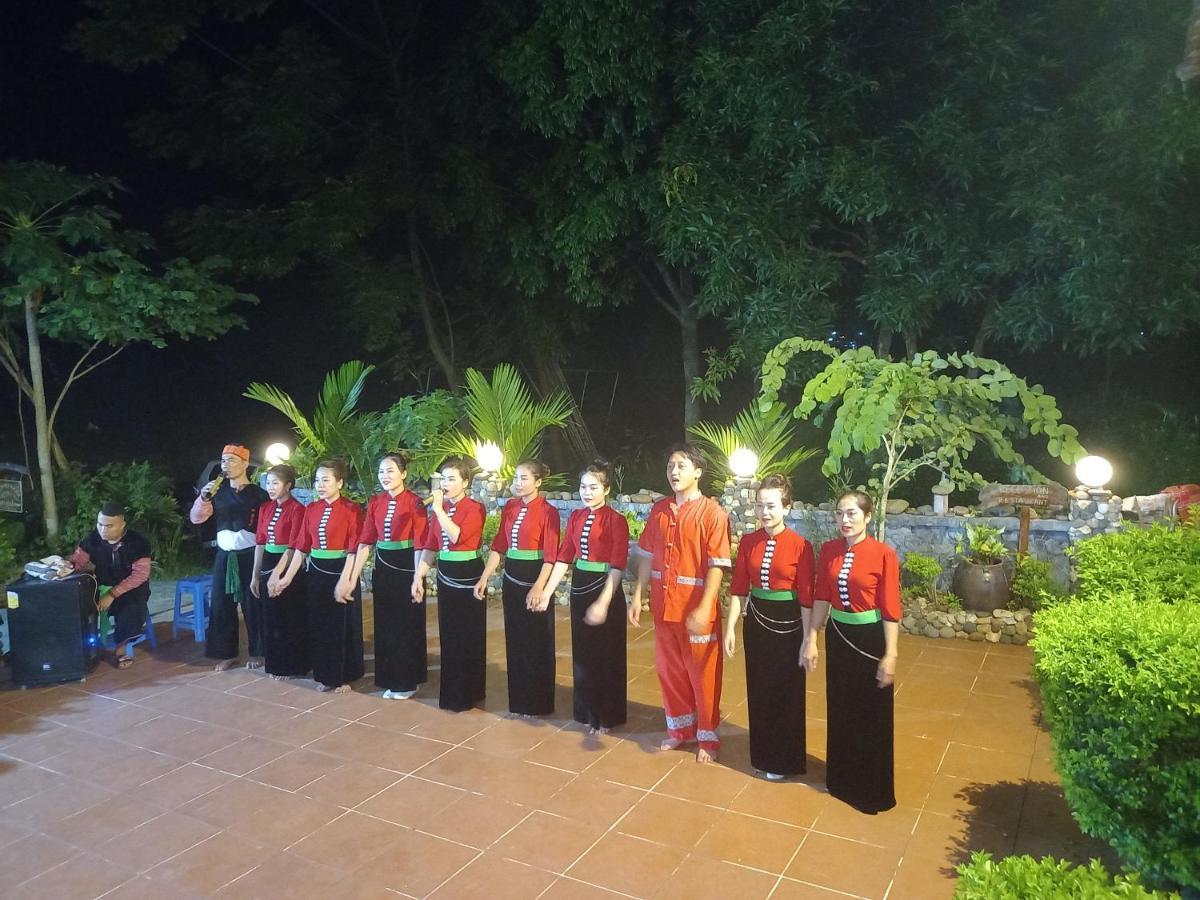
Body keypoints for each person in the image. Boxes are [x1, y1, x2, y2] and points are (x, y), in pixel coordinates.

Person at [631, 443, 732, 764]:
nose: (674, 472)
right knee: (668, 670)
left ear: (698, 472)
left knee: (702, 674)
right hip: (664, 608)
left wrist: (705, 608)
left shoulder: (712, 514)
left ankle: (707, 735)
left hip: (696, 610)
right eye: (671, 465)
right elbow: (647, 555)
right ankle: (680, 731)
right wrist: (638, 594)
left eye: (682, 466)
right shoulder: (660, 510)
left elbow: (718, 564)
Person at [803, 490, 900, 814]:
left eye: (852, 514)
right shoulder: (829, 550)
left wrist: (891, 655)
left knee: (870, 713)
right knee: (841, 707)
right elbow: (821, 598)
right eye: (840, 514)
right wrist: (811, 637)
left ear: (867, 517)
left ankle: (871, 788)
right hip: (839, 636)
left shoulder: (883, 554)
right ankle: (842, 779)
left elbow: (890, 608)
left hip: (870, 638)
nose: (844, 520)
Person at [724, 474, 815, 780]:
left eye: (772, 506)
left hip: (788, 622)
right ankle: (762, 755)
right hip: (757, 620)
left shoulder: (801, 546)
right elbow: (739, 589)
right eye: (760, 505)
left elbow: (806, 598)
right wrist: (730, 629)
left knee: (785, 691)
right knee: (760, 688)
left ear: (787, 508)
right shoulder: (749, 542)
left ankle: (784, 759)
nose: (765, 512)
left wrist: (808, 639)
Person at [542, 459, 630, 734]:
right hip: (580, 587)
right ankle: (585, 711)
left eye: (593, 487)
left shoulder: (616, 521)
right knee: (583, 653)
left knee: (606, 656)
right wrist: (546, 592)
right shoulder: (577, 517)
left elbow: (617, 565)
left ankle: (606, 715)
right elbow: (564, 556)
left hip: (605, 588)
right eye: (582, 487)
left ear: (606, 489)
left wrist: (604, 602)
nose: (586, 492)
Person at [476, 459, 560, 718]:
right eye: (515, 478)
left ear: (538, 482)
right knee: (516, 640)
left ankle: (539, 702)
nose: (518, 483)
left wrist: (539, 587)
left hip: (535, 576)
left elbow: (551, 555)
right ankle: (519, 700)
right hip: (511, 579)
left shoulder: (548, 511)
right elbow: (499, 546)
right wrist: (484, 577)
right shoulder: (510, 508)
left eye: (524, 478)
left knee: (538, 642)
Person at [274, 459, 364, 693]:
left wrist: (347, 578)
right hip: (317, 573)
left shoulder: (351, 509)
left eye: (326, 480)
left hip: (341, 568)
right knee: (320, 623)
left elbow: (354, 547)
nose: (320, 485)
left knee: (341, 625)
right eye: (317, 480)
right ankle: (325, 674)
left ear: (340, 482)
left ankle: (344, 676)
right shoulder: (312, 509)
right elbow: (301, 547)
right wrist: (286, 578)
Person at [346, 452, 429, 699]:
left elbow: (420, 542)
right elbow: (365, 541)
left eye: (391, 470)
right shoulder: (375, 502)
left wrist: (417, 578)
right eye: (381, 471)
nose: (385, 476)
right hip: (383, 566)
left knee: (406, 625)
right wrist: (352, 577)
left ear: (403, 474)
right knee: (385, 624)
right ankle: (389, 677)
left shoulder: (415, 502)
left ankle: (407, 681)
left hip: (407, 564)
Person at [412, 456, 486, 712]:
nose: (445, 483)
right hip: (446, 572)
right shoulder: (439, 511)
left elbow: (456, 536)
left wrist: (440, 510)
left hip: (468, 572)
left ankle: (471, 691)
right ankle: (453, 693)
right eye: (443, 478)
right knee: (449, 634)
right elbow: (431, 546)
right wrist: (418, 576)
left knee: (468, 635)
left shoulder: (474, 508)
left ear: (465, 482)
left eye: (452, 478)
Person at [190, 444, 268, 671]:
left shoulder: (259, 494)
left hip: (250, 555)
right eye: (223, 461)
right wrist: (204, 499)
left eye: (232, 460)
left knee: (253, 604)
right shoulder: (216, 492)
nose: (226, 465)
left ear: (245, 464)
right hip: (225, 556)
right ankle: (226, 653)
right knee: (221, 605)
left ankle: (258, 651)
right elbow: (197, 519)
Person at [63, 502, 152, 669]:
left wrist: (112, 595)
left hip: (131, 589)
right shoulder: (92, 539)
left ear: (122, 524)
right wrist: (63, 567)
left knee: (131, 608)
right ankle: (84, 648)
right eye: (100, 524)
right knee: (78, 603)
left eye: (109, 526)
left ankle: (121, 649)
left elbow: (140, 575)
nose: (103, 530)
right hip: (102, 585)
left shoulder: (138, 543)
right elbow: (78, 561)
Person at [250, 464, 309, 680]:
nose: (270, 487)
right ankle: (275, 663)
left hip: (288, 564)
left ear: (288, 485)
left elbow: (294, 546)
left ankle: (293, 665)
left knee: (289, 617)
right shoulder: (266, 508)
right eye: (268, 483)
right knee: (270, 616)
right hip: (268, 561)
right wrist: (255, 575)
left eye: (276, 483)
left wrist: (279, 574)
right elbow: (260, 542)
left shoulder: (297, 509)